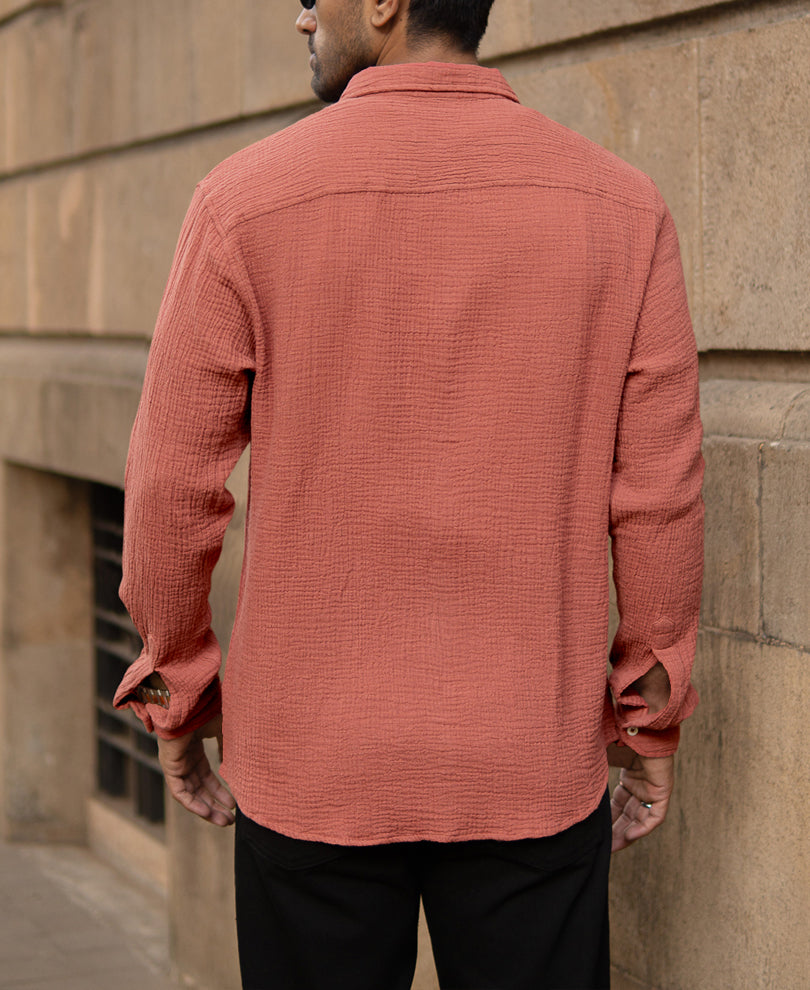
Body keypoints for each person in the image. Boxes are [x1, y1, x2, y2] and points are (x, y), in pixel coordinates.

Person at [114, 1, 704, 987]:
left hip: (310, 757)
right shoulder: (622, 207)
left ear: (385, 1)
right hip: (528, 753)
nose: (301, 15)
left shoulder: (242, 201)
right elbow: (660, 500)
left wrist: (175, 693)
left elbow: (170, 488)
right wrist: (650, 717)